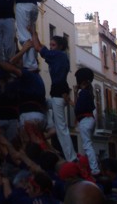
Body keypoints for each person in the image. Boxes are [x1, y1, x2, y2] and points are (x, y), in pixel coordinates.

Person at [31, 29, 78, 163]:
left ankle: (71, 158)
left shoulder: (57, 55)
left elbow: (39, 47)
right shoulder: (61, 57)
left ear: (60, 47)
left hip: (58, 94)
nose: (51, 48)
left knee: (62, 128)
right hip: (58, 95)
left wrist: (34, 31)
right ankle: (50, 127)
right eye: (50, 45)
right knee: (42, 104)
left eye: (53, 45)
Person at [73, 68, 100, 176]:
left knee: (87, 146)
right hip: (90, 120)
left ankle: (94, 169)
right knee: (89, 145)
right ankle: (91, 166)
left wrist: (74, 95)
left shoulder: (83, 93)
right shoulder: (89, 92)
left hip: (85, 121)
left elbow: (77, 108)